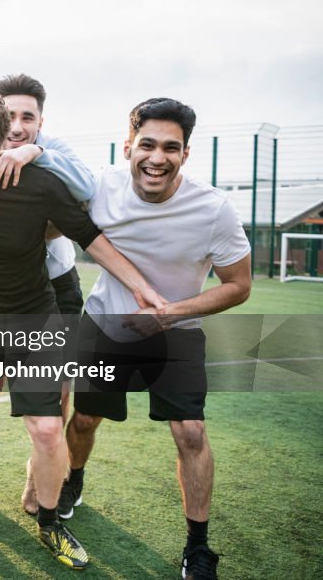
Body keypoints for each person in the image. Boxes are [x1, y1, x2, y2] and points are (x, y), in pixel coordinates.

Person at [0, 88, 165, 570]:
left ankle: (50, 522)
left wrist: (142, 287)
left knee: (47, 428)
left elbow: (92, 238)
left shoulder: (36, 186)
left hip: (32, 315)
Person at [64, 98, 251, 580]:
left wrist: (169, 314)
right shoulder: (100, 187)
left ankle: (199, 548)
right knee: (84, 420)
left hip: (177, 332)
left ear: (185, 155)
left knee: (190, 431)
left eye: (171, 147)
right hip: (106, 324)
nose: (157, 157)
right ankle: (72, 481)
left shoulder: (214, 209)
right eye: (147, 144)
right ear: (129, 146)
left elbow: (238, 285)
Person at [0, 73, 96, 515]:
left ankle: (45, 480)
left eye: (27, 118)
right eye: (9, 115)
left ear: (40, 120)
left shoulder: (52, 149)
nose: (17, 125)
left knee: (55, 394)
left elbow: (88, 186)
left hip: (55, 288)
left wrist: (37, 152)